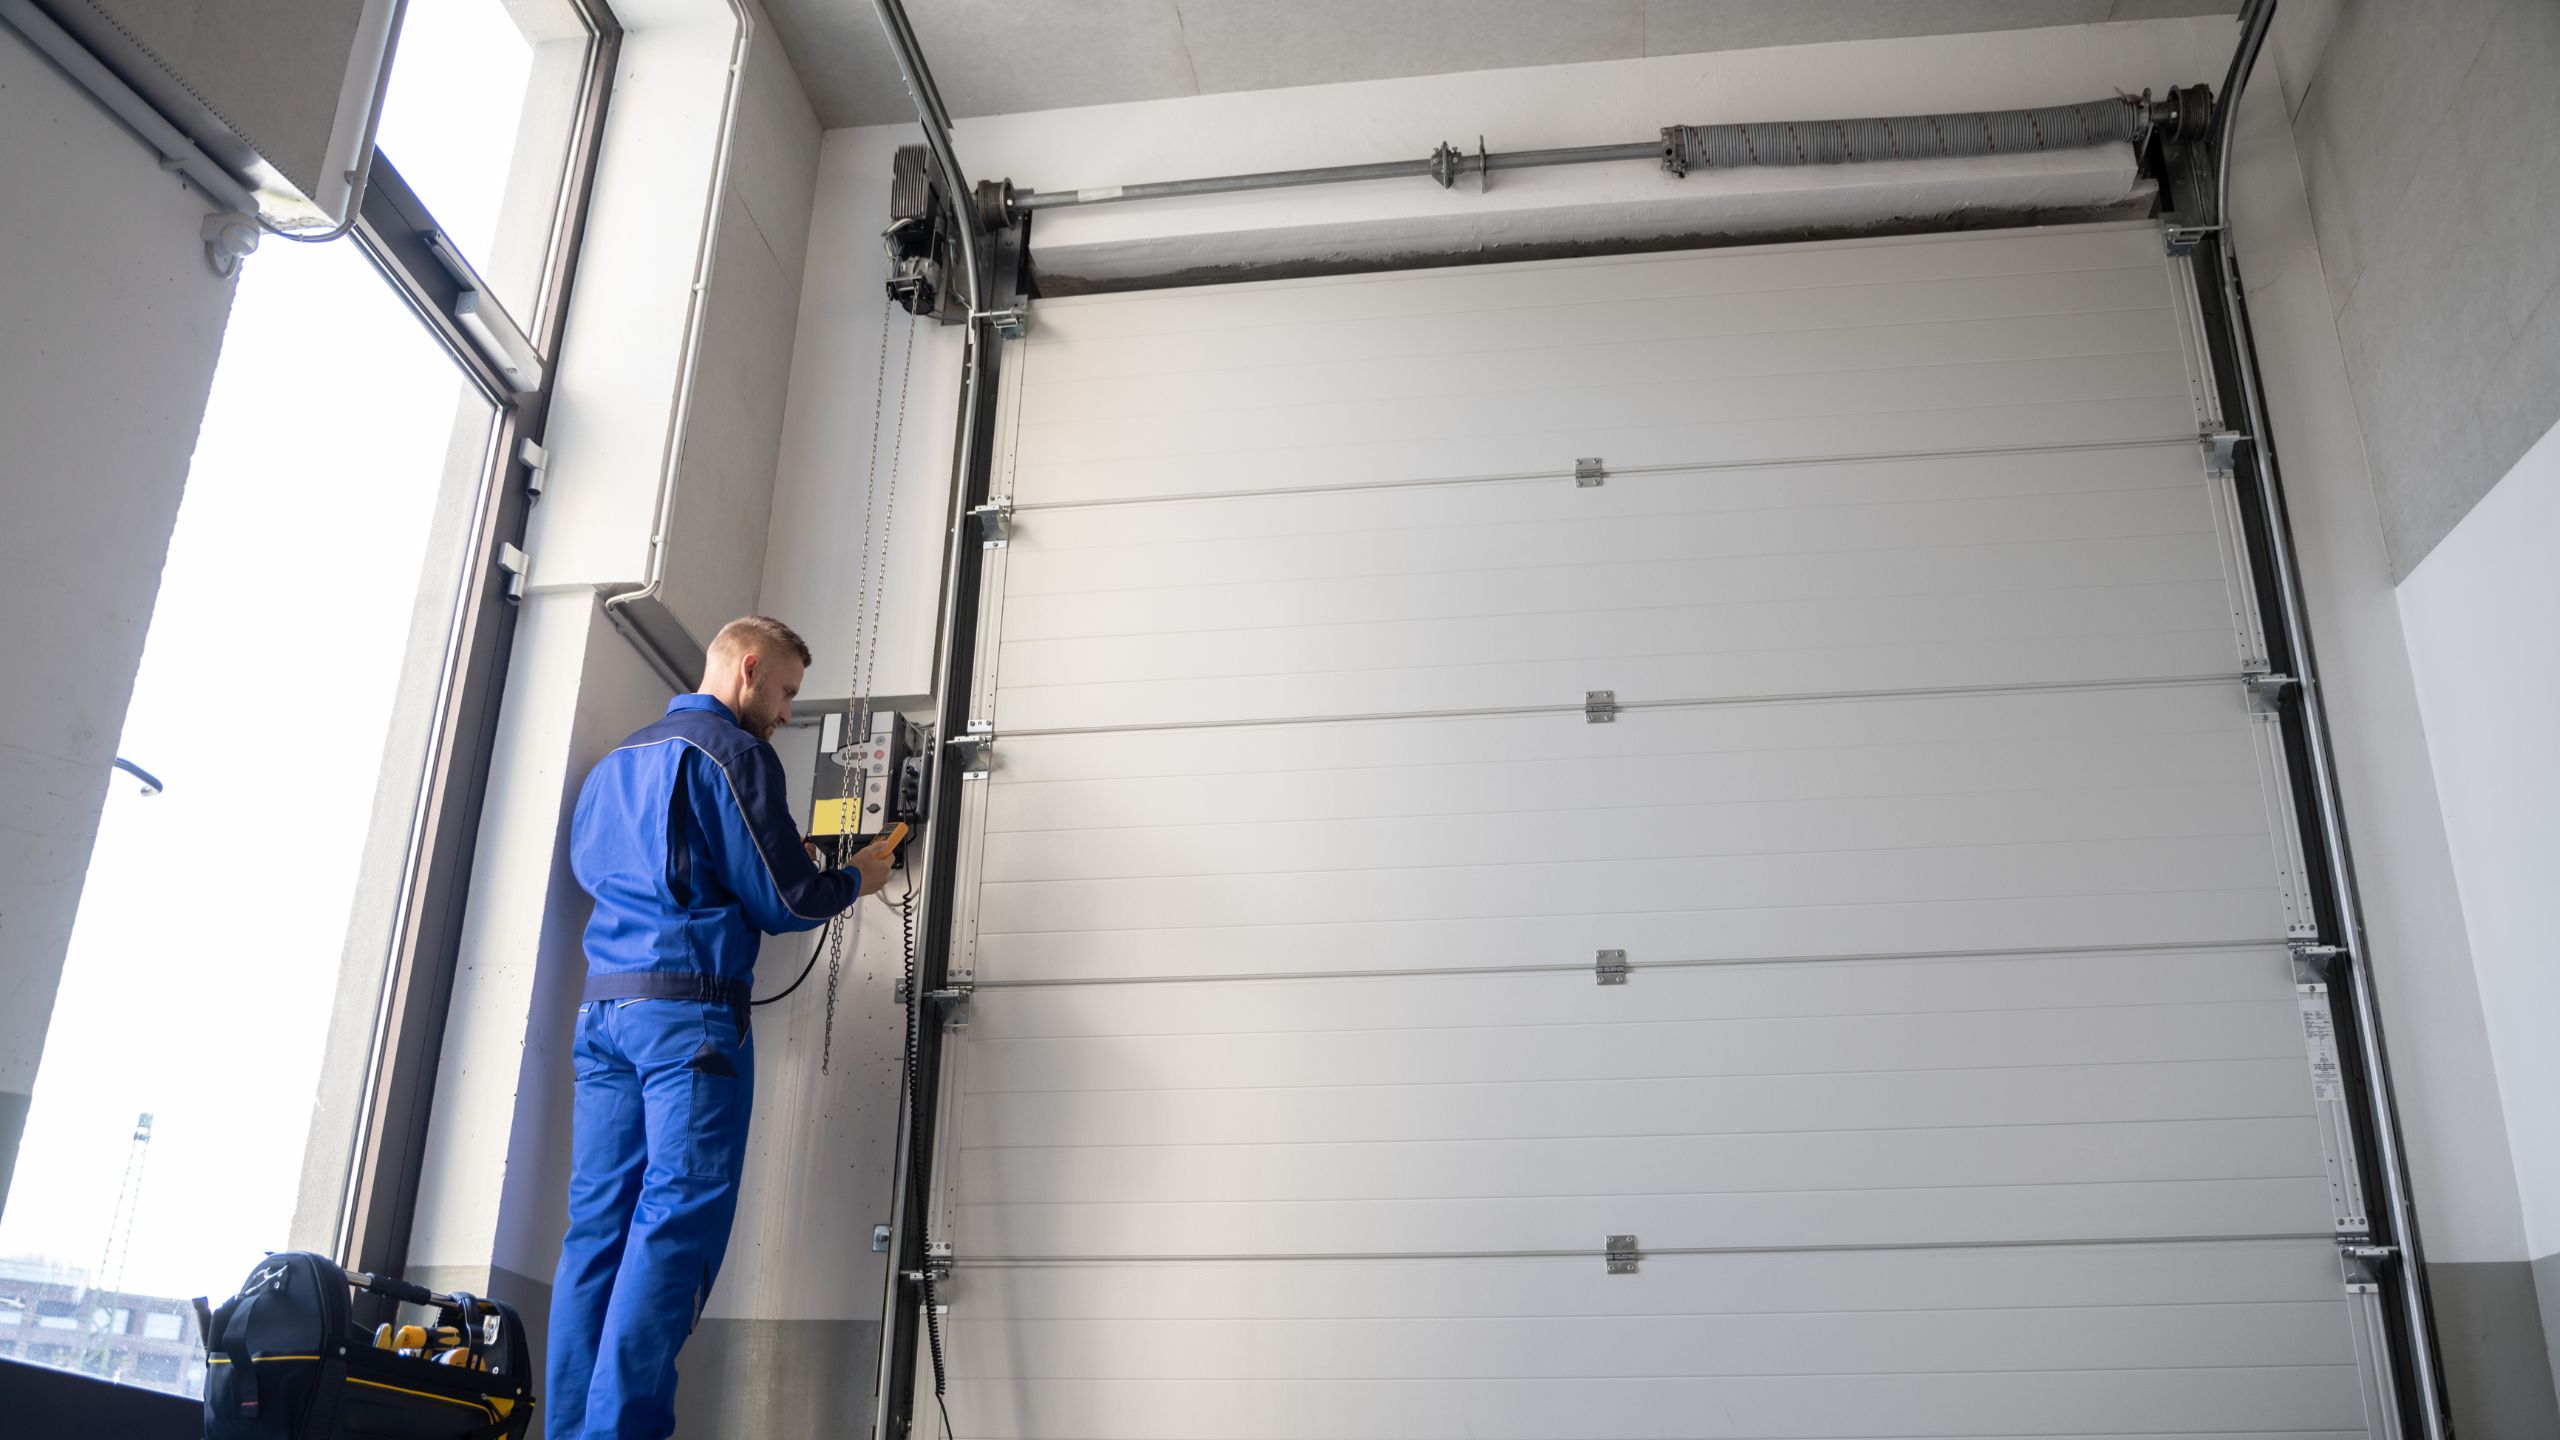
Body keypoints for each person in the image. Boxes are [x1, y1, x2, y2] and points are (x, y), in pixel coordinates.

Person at [546, 614, 895, 1439]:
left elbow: (624, 869)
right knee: (673, 1229)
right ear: (746, 669)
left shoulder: (613, 767)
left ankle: (569, 1429)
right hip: (688, 1028)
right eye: (783, 691)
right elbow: (787, 901)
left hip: (602, 1015)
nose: (783, 711)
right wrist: (858, 877)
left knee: (596, 1229)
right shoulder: (736, 755)